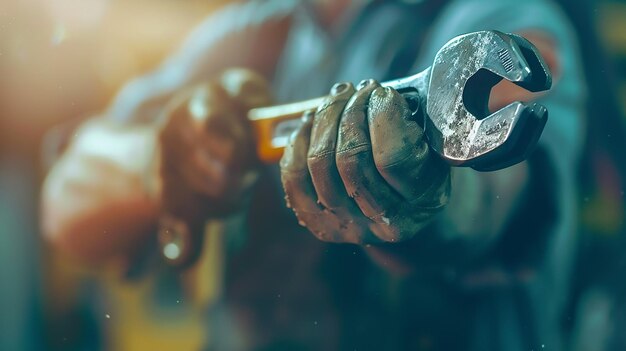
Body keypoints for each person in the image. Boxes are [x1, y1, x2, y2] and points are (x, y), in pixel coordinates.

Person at [41, 0, 586, 349]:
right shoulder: (241, 35)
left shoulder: (502, 15)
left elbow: (501, 192)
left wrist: (434, 198)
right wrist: (162, 161)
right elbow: (65, 202)